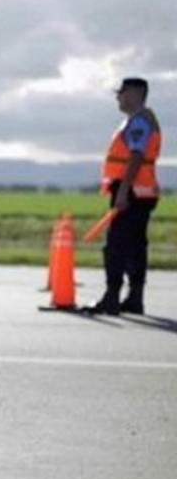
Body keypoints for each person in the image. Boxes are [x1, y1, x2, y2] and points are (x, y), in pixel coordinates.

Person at [83, 77, 161, 315]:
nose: (118, 97)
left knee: (115, 246)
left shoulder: (138, 123)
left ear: (135, 94)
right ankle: (134, 299)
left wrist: (124, 190)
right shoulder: (141, 120)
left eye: (122, 93)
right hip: (142, 191)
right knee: (136, 247)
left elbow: (136, 156)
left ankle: (112, 297)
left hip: (131, 192)